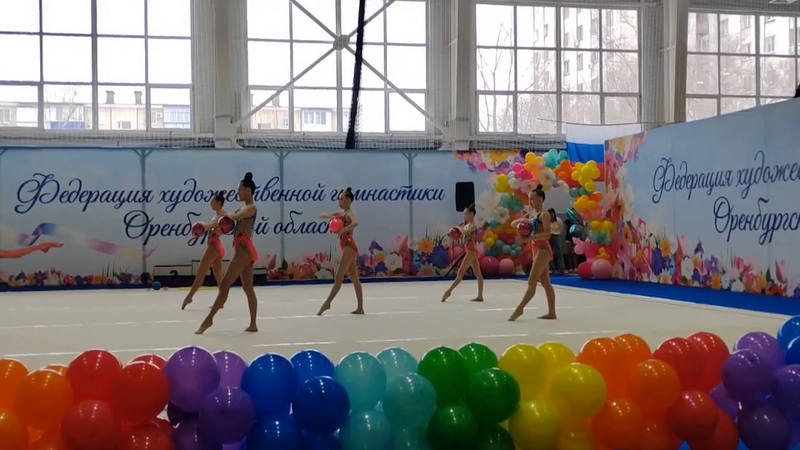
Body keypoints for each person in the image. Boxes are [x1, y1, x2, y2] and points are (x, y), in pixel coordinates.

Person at [195, 173, 259, 334]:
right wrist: (218, 228)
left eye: (240, 190)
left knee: (224, 284)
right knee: (248, 288)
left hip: (244, 252)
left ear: (248, 191)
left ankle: (209, 319)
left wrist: (222, 215)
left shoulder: (251, 208)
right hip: (243, 250)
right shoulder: (242, 208)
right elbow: (231, 226)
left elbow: (235, 217)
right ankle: (253, 324)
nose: (238, 192)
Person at [508, 184, 557, 321]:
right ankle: (552, 312)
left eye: (533, 199)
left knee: (532, 280)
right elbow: (513, 224)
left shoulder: (544, 214)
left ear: (540, 199)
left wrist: (528, 238)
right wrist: (522, 219)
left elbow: (547, 234)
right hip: (536, 248)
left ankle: (520, 309)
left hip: (543, 249)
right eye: (529, 199)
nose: (530, 202)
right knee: (546, 283)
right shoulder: (532, 214)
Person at [317, 187, 364, 315]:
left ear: (348, 200)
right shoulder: (342, 213)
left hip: (349, 245)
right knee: (354, 278)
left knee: (339, 276)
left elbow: (355, 223)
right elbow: (321, 215)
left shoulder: (350, 213)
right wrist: (333, 217)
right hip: (346, 245)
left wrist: (343, 229)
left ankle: (327, 303)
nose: (339, 201)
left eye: (341, 199)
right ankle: (360, 308)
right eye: (339, 199)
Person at [182, 191, 227, 310]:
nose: (210, 203)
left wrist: (200, 224)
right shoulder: (218, 214)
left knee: (200, 274)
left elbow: (211, 226)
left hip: (214, 247)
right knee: (219, 277)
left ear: (218, 203)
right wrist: (202, 230)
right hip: (216, 246)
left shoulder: (222, 215)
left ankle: (189, 297)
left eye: (212, 201)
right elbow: (211, 227)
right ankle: (221, 301)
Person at [441, 203, 484, 302]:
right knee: (478, 274)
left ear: (472, 214)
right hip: (469, 250)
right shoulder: (466, 226)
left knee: (461, 272)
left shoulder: (473, 226)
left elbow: (464, 232)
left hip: (472, 251)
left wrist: (458, 227)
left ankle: (449, 291)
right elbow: (462, 238)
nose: (465, 216)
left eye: (466, 214)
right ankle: (480, 296)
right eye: (464, 214)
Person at [548, 208, 566, 275]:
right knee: (549, 253)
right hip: (548, 236)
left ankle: (561, 268)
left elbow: (561, 228)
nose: (551, 215)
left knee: (559, 252)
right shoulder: (546, 220)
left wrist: (557, 233)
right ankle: (551, 268)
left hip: (556, 236)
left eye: (552, 213)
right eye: (549, 214)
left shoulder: (558, 220)